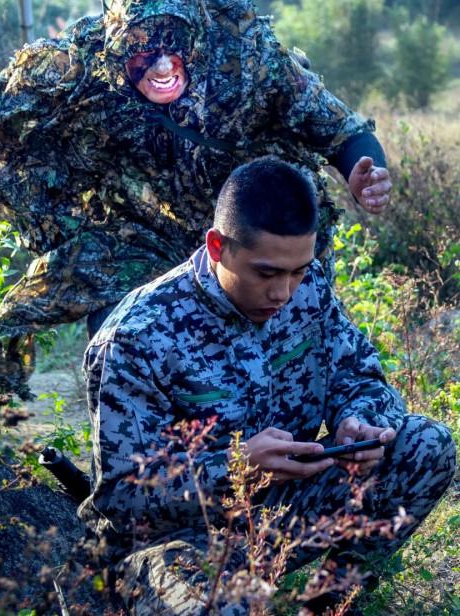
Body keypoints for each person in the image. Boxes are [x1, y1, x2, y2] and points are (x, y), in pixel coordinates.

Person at [0, 0, 392, 396]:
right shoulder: (83, 62)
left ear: (197, 38)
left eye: (175, 45)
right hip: (143, 232)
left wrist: (362, 171)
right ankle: (127, 443)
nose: (163, 64)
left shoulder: (247, 58)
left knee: (287, 330)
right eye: (143, 49)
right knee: (117, 322)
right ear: (118, 42)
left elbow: (338, 126)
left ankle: (281, 439)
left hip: (253, 231)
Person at [81, 158, 455, 615]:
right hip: (172, 544)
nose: (284, 293)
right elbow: (122, 500)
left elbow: (359, 374)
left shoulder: (308, 287)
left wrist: (359, 422)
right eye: (266, 274)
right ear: (217, 246)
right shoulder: (136, 336)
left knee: (425, 445)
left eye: (298, 270)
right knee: (229, 604)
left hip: (282, 511)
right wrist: (235, 468)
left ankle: (329, 605)